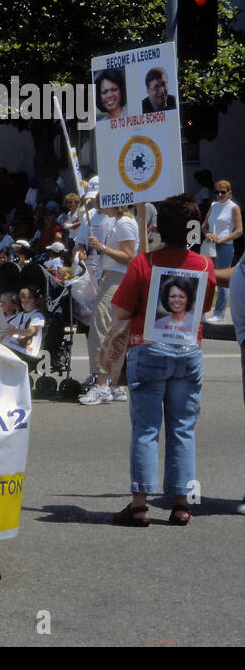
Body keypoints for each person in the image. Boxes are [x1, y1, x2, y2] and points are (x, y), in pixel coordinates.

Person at [110, 195, 215, 527]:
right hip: (187, 352)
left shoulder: (143, 263)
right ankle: (182, 504)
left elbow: (121, 310)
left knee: (145, 429)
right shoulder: (203, 265)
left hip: (148, 349)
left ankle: (140, 505)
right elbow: (207, 308)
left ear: (158, 228)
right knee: (183, 429)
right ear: (192, 230)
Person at [80, 204, 138, 405]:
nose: (98, 205)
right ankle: (114, 384)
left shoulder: (123, 223)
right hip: (113, 276)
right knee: (113, 329)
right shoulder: (119, 222)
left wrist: (102, 248)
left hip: (117, 278)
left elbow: (129, 256)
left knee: (100, 327)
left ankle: (102, 383)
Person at [202, 180, 241, 323]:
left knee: (221, 281)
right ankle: (203, 312)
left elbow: (239, 231)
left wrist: (222, 239)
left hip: (225, 246)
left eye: (223, 192)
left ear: (229, 193)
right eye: (217, 192)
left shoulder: (233, 208)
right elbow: (204, 226)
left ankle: (220, 313)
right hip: (210, 245)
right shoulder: (213, 205)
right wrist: (208, 235)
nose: (219, 194)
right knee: (206, 277)